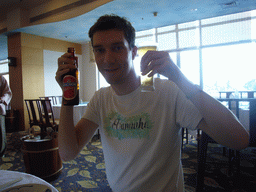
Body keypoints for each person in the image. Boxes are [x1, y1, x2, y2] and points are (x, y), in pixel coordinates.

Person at [55, 14, 249, 191]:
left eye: (117, 48)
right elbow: (68, 153)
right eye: (99, 50)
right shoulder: (101, 99)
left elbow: (239, 139)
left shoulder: (167, 91)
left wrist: (178, 77)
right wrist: (67, 94)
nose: (107, 59)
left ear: (133, 52)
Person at [0, 76, 12, 157]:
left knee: (0, 133)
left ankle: (1, 152)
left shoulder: (1, 78)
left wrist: (2, 99)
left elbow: (7, 92)